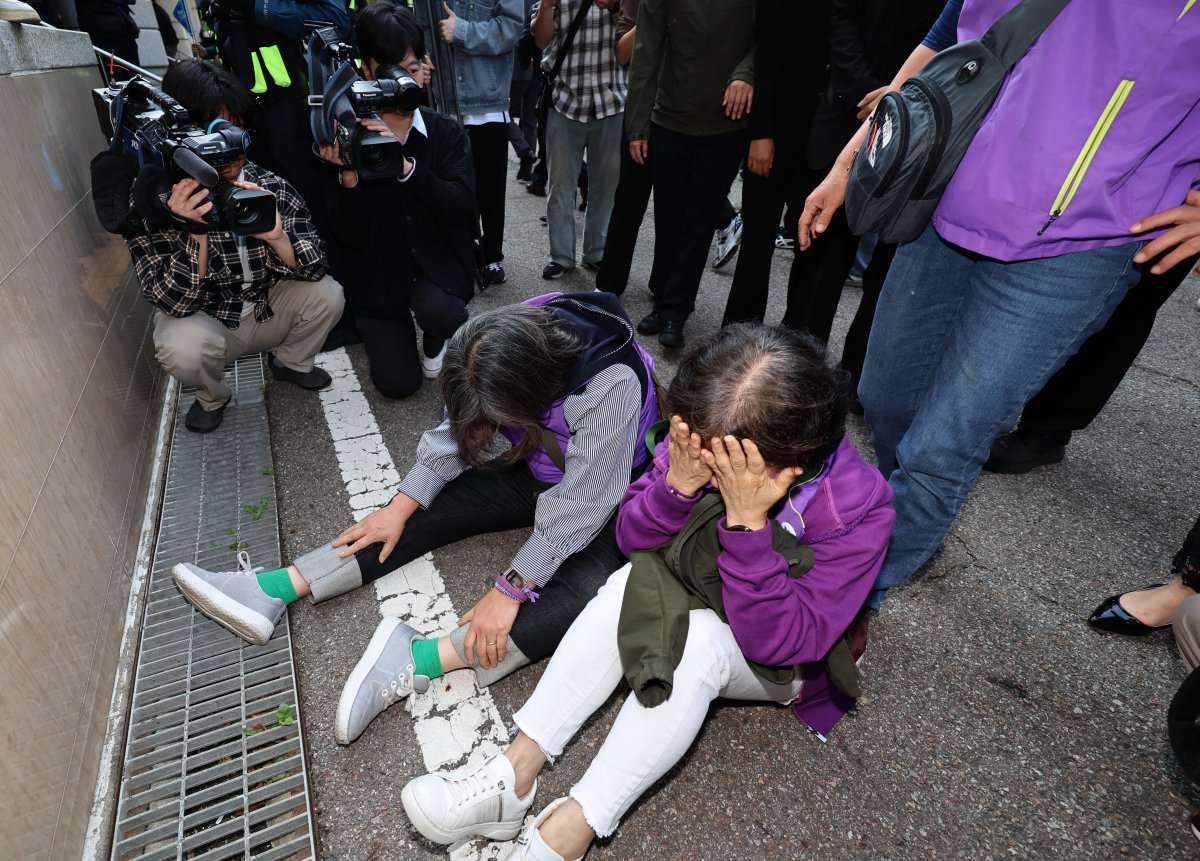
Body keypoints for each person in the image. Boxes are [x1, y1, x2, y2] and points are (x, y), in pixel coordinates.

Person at [399, 324, 894, 859]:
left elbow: (786, 644)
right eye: (699, 447)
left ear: (787, 461)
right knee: (628, 583)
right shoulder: (705, 432)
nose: (708, 462)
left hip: (782, 657)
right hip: (693, 588)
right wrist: (677, 485)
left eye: (723, 462)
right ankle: (513, 778)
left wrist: (749, 527)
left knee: (696, 643)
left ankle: (572, 829)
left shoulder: (858, 503)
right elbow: (631, 539)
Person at [797, 0, 1200, 609]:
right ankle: (890, 523)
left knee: (944, 444)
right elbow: (943, 40)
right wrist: (850, 159)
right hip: (945, 199)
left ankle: (841, 604)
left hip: (1085, 240)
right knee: (883, 397)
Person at [170, 292, 661, 746]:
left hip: (614, 490)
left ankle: (418, 658)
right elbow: (456, 433)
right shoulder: (499, 336)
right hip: (540, 463)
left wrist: (510, 588)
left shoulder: (609, 383)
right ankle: (273, 589)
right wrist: (400, 506)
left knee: (590, 596)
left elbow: (583, 504)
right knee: (428, 506)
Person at [126, 60, 342, 434]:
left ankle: (290, 362)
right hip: (208, 321)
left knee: (328, 294)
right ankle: (212, 396)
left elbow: (316, 266)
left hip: (264, 308)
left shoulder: (266, 184)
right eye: (214, 131)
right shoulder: (155, 201)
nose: (232, 146)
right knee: (181, 345)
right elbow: (174, 303)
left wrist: (277, 236)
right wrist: (194, 231)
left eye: (238, 130)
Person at [319, 2, 476, 398]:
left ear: (423, 63)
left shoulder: (445, 133)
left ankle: (435, 336)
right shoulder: (345, 134)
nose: (398, 84)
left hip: (436, 267)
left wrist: (406, 166)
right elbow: (347, 234)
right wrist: (349, 177)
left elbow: (460, 207)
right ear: (366, 70)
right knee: (398, 384)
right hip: (379, 276)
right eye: (387, 71)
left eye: (407, 69)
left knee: (442, 313)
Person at [626, 0, 755, 349]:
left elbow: (769, 35)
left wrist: (747, 73)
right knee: (668, 216)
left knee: (699, 220)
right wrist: (637, 126)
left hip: (725, 124)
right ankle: (664, 295)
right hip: (668, 117)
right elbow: (646, 48)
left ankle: (675, 310)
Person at [532, 0, 626, 280]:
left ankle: (597, 251)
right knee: (560, 184)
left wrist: (615, 6)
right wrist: (547, 8)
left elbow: (640, 27)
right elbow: (540, 40)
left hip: (612, 100)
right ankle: (560, 256)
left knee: (607, 185)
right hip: (564, 98)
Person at [439, 0, 524, 288]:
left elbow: (511, 29)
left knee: (490, 187)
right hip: (444, 97)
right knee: (453, 184)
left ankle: (491, 256)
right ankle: (461, 253)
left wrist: (460, 31)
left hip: (488, 100)